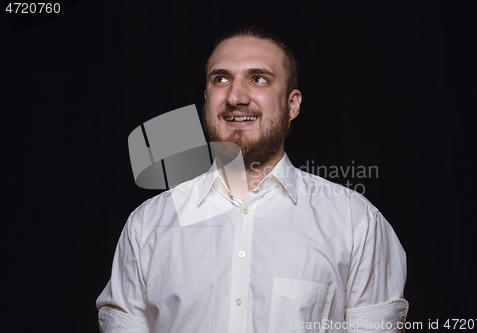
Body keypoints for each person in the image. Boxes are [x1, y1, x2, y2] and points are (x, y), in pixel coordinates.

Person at [96, 26, 409, 332]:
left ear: (292, 104)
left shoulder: (356, 223)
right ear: (206, 101)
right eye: (221, 79)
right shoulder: (146, 226)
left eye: (258, 79)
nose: (235, 97)